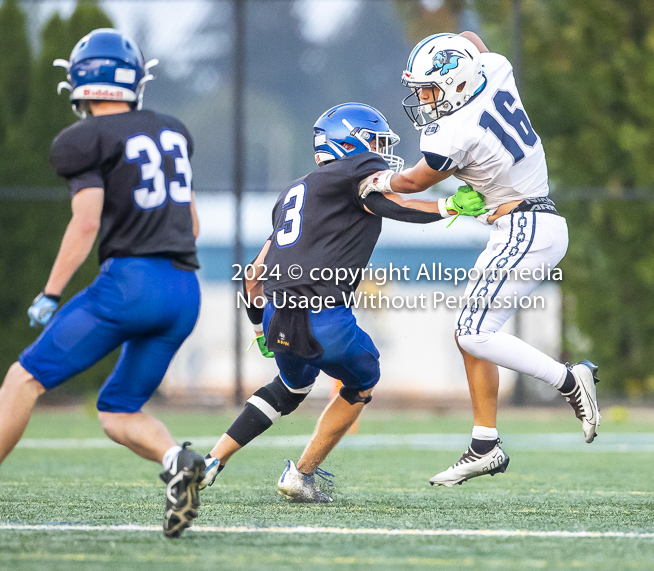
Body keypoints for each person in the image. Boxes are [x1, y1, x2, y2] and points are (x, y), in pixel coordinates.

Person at [200, 102, 487, 502]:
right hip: (324, 316)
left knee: (290, 386)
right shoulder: (355, 171)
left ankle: (213, 459)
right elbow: (394, 198)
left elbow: (253, 275)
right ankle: (302, 474)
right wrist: (448, 206)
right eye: (373, 141)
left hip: (277, 313)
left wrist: (258, 326)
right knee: (362, 379)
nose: (380, 151)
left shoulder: (292, 194)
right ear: (348, 142)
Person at [360, 32, 600, 487]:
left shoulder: (456, 129)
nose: (424, 100)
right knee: (470, 334)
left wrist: (378, 180)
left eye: (429, 89)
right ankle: (485, 445)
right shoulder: (495, 70)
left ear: (455, 83)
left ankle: (569, 379)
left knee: (473, 333)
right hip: (528, 222)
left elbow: (412, 183)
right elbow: (470, 39)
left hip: (525, 226)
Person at [0, 29, 205, 538]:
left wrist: (50, 291)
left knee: (23, 380)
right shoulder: (171, 130)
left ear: (79, 83)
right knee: (117, 411)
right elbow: (193, 226)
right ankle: (176, 459)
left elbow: (86, 222)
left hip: (131, 284)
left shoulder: (83, 139)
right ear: (135, 81)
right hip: (184, 291)